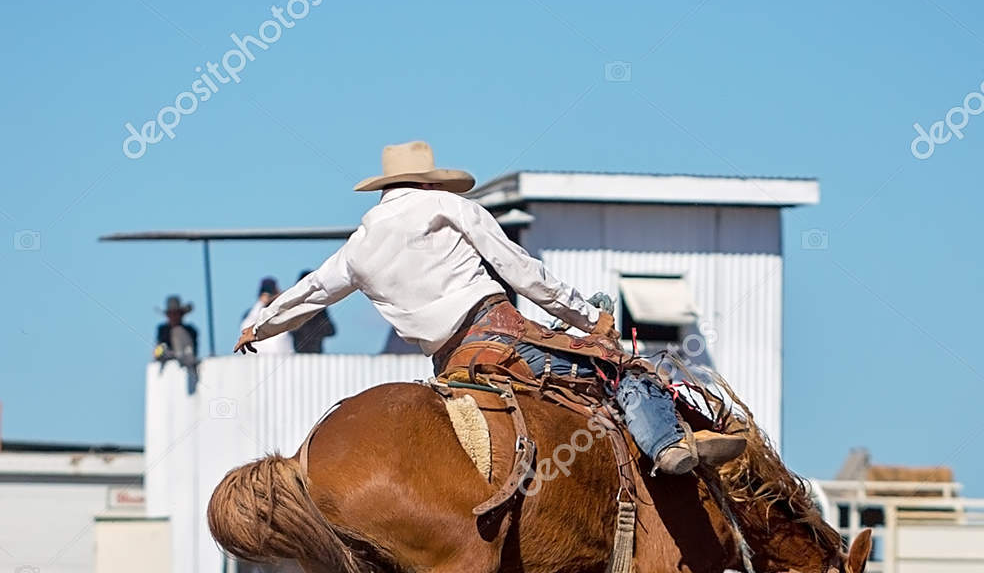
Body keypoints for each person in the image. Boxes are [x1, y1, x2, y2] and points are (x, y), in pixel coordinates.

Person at [234, 140, 740, 477]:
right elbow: (522, 271)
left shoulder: (358, 247)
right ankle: (669, 446)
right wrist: (588, 319)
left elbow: (312, 293)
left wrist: (259, 326)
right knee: (623, 368)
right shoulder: (448, 208)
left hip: (451, 367)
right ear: (429, 182)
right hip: (502, 337)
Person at [238, 277, 294, 356]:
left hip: (281, 356)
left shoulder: (282, 312)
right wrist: (262, 303)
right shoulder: (252, 314)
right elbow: (244, 328)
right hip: (259, 358)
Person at [291, 272, 337, 354]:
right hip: (305, 356)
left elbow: (331, 331)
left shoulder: (319, 308)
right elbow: (330, 330)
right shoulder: (320, 307)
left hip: (309, 356)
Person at [154, 296, 198, 366]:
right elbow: (159, 348)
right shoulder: (163, 330)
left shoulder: (190, 330)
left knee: (177, 331)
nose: (173, 317)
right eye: (171, 314)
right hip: (168, 357)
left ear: (181, 315)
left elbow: (194, 350)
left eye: (176, 313)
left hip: (186, 359)